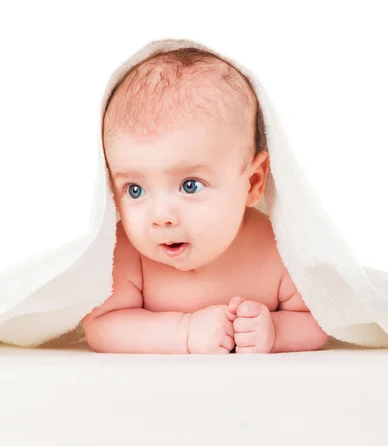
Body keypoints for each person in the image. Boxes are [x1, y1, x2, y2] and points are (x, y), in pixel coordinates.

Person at [82, 47, 328, 354]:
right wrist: (184, 332)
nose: (161, 216)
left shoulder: (277, 249)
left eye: (189, 185)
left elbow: (319, 321)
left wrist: (275, 331)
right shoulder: (129, 254)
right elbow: (101, 326)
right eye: (135, 190)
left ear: (253, 182)